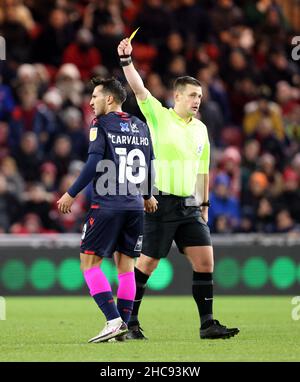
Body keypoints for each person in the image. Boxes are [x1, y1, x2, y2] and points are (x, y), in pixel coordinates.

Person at [117, 38, 240, 340]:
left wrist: (205, 203)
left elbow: (203, 169)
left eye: (200, 95)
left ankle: (207, 324)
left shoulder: (201, 129)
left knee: (205, 260)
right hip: (159, 203)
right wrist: (126, 61)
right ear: (177, 97)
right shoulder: (160, 116)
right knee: (147, 264)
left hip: (189, 206)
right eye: (192, 95)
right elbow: (138, 89)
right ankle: (128, 321)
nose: (198, 100)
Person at [57, 77, 157, 343]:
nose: (90, 102)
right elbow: (149, 165)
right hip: (134, 205)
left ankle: (113, 321)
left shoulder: (101, 124)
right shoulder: (140, 125)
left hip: (107, 205)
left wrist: (71, 192)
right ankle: (123, 326)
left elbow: (92, 164)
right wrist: (147, 196)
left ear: (109, 99)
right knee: (126, 268)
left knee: (88, 263)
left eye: (94, 97)